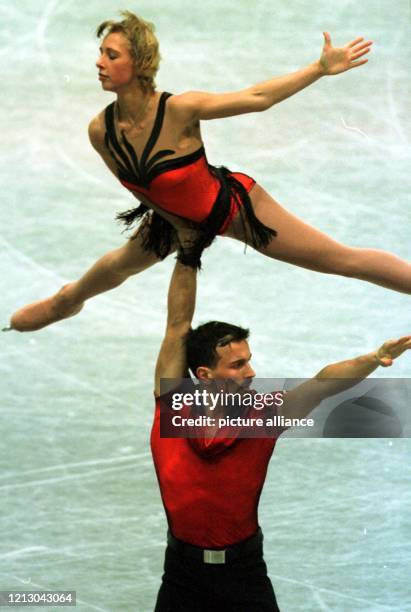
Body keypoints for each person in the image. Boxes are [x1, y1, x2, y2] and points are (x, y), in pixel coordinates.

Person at [6, 11, 411, 332]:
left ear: (140, 63)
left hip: (233, 207)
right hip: (174, 221)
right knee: (110, 272)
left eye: (112, 55)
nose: (99, 62)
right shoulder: (101, 131)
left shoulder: (180, 109)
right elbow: (143, 192)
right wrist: (180, 229)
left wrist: (319, 68)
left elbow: (258, 98)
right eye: (101, 53)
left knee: (340, 261)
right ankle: (64, 303)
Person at [152, 254, 411, 611]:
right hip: (182, 573)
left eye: (249, 360)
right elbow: (177, 325)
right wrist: (188, 254)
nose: (252, 371)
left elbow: (321, 385)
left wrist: (372, 357)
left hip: (244, 572)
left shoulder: (264, 414)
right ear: (205, 374)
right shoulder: (171, 403)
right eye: (238, 364)